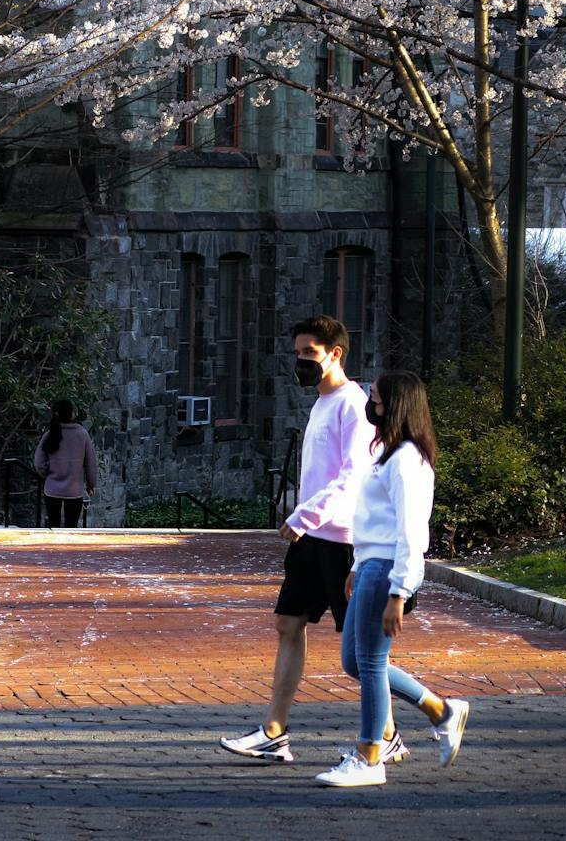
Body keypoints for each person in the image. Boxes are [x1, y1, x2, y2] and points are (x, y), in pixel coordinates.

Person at [220, 315, 378, 764]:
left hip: (342, 540)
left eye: (309, 352)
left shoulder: (353, 405)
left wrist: (305, 514)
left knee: (360, 649)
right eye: (297, 354)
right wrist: (304, 517)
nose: (302, 362)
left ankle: (406, 721)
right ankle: (275, 731)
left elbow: (353, 475)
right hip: (309, 538)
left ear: (335, 353)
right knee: (288, 624)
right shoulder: (320, 404)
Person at [315, 370, 470, 788]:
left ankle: (370, 756)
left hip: (387, 570)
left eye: (378, 401)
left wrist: (400, 591)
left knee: (369, 661)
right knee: (356, 661)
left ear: (397, 406)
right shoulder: (388, 453)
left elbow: (411, 533)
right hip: (370, 565)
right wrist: (356, 563)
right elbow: (373, 520)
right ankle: (441, 711)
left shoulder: (407, 461)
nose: (372, 407)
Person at [34, 398, 97, 528]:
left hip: (52, 488)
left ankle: (53, 548)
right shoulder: (82, 434)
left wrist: (48, 474)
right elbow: (91, 462)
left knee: (53, 525)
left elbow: (39, 463)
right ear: (72, 414)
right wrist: (91, 485)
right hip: (74, 490)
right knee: (72, 527)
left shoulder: (49, 434)